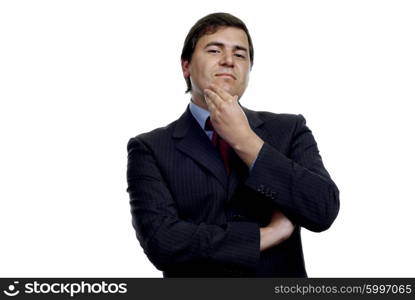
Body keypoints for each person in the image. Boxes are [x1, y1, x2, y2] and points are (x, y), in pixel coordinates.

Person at [126, 12, 339, 277]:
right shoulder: (150, 148)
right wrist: (267, 235)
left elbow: (323, 209)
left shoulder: (289, 129)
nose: (228, 61)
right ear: (186, 66)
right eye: (215, 50)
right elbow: (162, 242)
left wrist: (246, 141)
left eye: (240, 55)